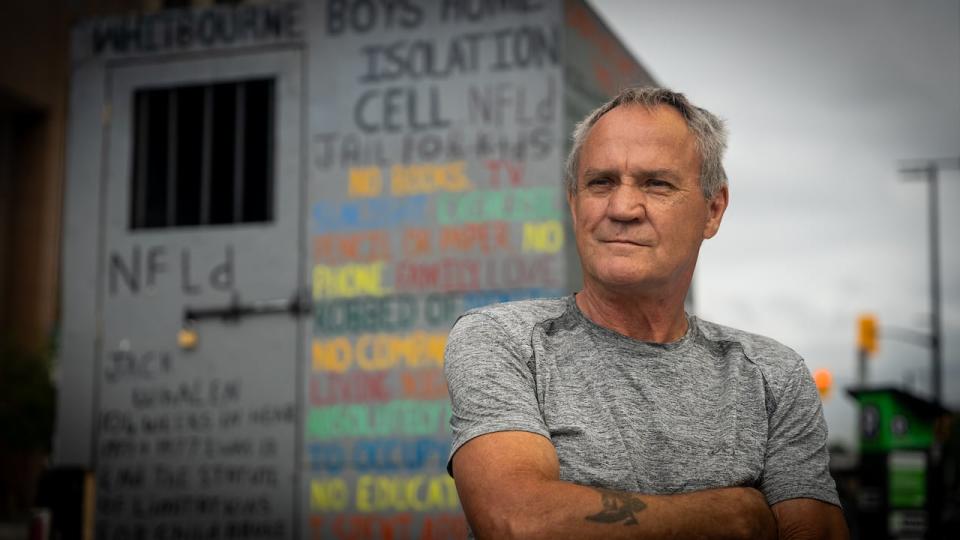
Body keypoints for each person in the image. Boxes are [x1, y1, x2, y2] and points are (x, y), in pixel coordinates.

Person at [443, 87, 849, 539]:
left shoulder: (774, 376)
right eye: (601, 182)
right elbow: (518, 522)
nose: (622, 209)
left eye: (657, 184)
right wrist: (732, 515)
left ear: (713, 209)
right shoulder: (507, 342)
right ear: (574, 203)